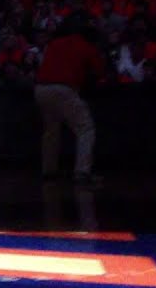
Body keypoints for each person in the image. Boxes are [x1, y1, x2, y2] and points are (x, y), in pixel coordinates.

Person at [34, 13, 105, 184]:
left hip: (41, 89)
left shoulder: (55, 43)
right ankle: (82, 172)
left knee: (51, 130)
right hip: (63, 89)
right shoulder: (85, 45)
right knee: (85, 127)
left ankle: (49, 171)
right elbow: (100, 71)